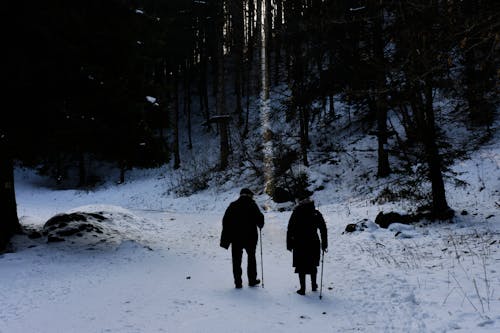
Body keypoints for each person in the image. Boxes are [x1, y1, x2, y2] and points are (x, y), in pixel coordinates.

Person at [220, 188, 264, 289]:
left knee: (236, 260)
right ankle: (252, 280)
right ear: (249, 195)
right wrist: (261, 224)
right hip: (250, 237)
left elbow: (225, 221)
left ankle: (238, 282)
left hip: (236, 238)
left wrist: (226, 238)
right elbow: (259, 218)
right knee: (251, 258)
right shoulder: (252, 205)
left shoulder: (233, 205)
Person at [287, 195, 328, 295]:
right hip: (313, 242)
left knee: (301, 265)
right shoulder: (315, 213)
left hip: (299, 242)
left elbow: (290, 229)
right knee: (312, 264)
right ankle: (314, 285)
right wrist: (324, 243)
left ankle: (303, 289)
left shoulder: (296, 212)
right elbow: (323, 229)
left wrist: (289, 243)